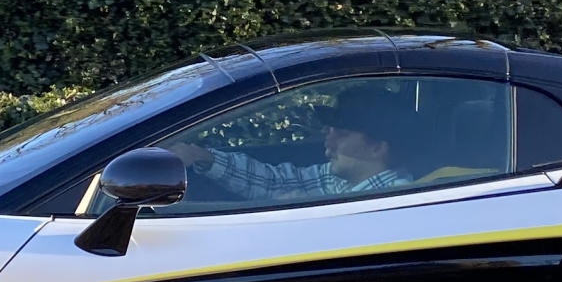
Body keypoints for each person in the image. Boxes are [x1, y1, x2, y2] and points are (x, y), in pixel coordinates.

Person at [177, 86, 417, 204]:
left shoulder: (396, 201)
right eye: (330, 130)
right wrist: (201, 156)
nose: (328, 140)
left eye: (342, 134)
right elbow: (271, 181)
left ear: (377, 148)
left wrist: (311, 212)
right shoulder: (338, 179)